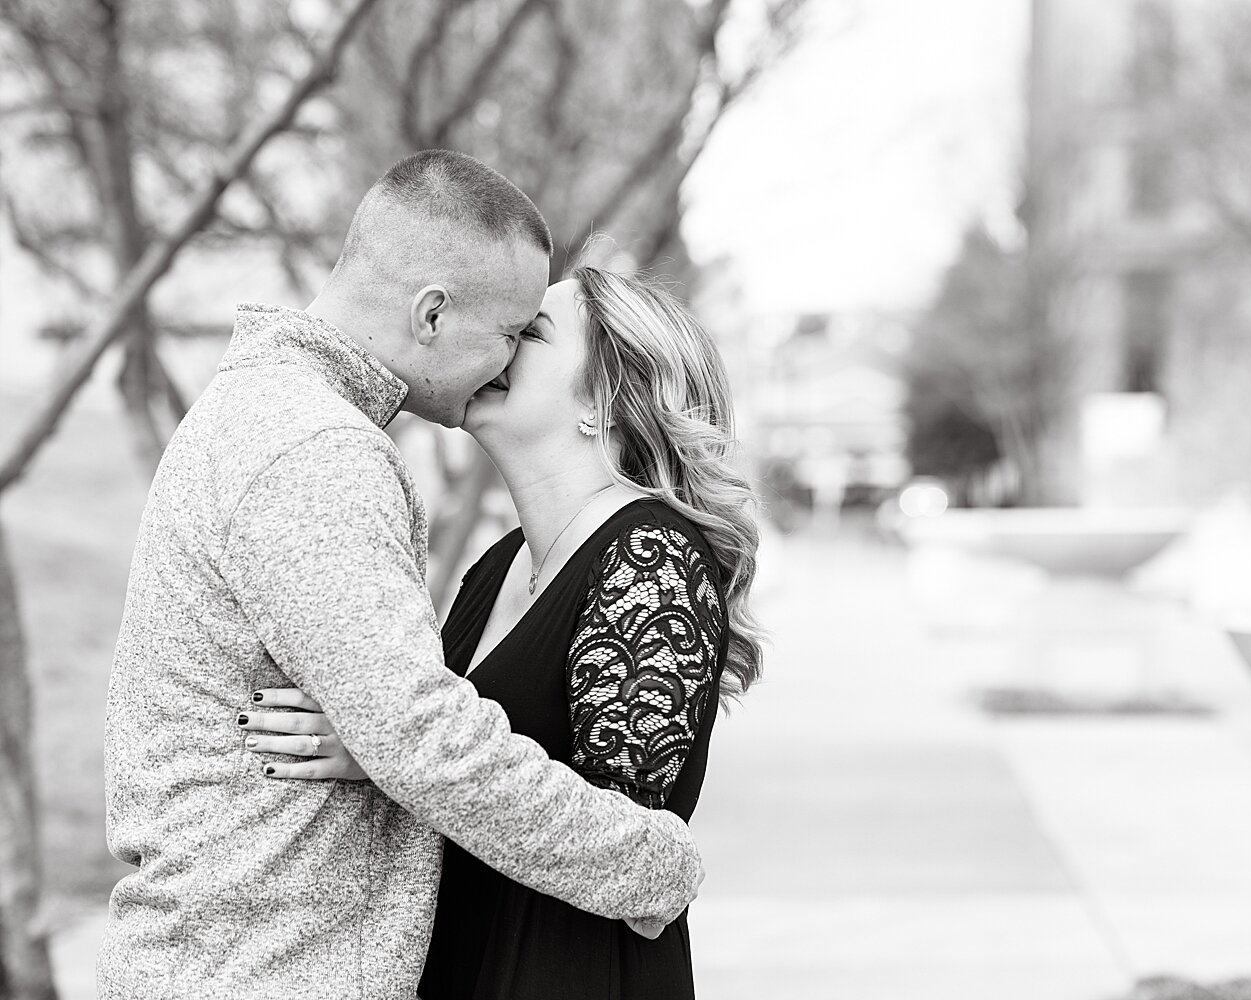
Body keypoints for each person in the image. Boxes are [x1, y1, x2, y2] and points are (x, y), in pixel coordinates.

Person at [99, 151, 703, 1000]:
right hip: (264, 972)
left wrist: (383, 742)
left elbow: (403, 732)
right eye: (509, 332)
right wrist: (655, 866)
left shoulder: (271, 414)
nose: (504, 364)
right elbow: (421, 736)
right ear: (431, 315)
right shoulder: (316, 448)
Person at [244, 265, 763, 998]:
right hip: (457, 956)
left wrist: (389, 753)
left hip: (567, 971)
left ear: (609, 399)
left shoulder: (652, 556)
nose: (498, 347)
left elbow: (627, 841)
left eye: (530, 333)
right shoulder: (498, 564)